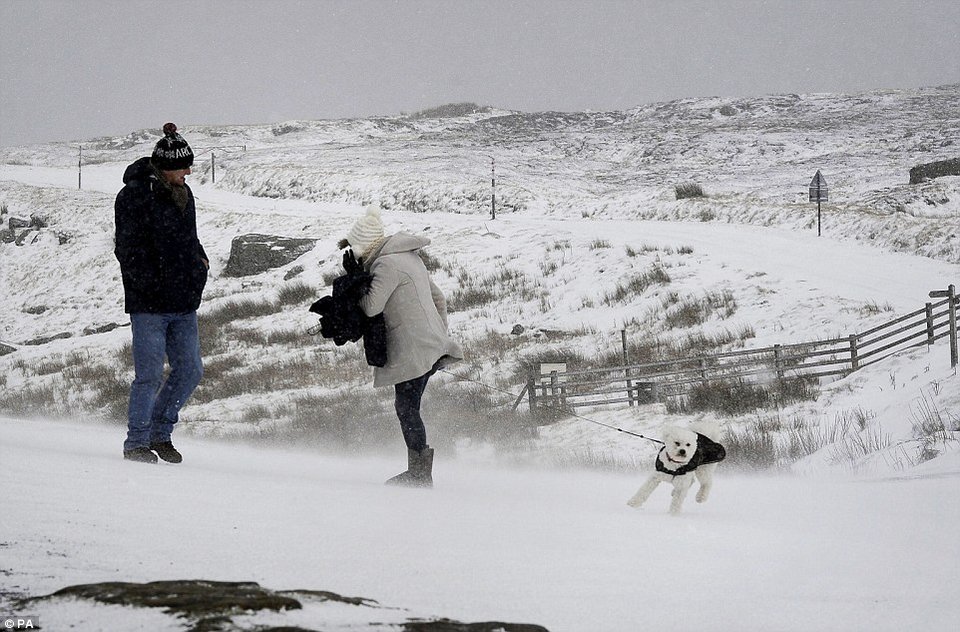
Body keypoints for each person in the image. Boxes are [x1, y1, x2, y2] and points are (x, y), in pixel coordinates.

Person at [343, 205, 463, 487]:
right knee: (408, 407)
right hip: (427, 346)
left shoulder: (386, 265)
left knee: (406, 408)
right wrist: (437, 337)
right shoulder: (410, 258)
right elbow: (440, 299)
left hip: (414, 350)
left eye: (354, 247)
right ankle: (419, 471)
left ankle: (420, 474)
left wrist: (352, 281)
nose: (353, 253)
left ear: (363, 245)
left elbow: (371, 307)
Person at [114, 123, 208, 464]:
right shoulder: (133, 196)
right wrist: (152, 283)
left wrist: (200, 265)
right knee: (149, 374)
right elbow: (127, 250)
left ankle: (160, 434)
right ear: (165, 167)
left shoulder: (186, 194)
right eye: (183, 166)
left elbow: (190, 239)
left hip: (184, 301)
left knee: (190, 370)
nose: (188, 171)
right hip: (149, 304)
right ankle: (135, 443)